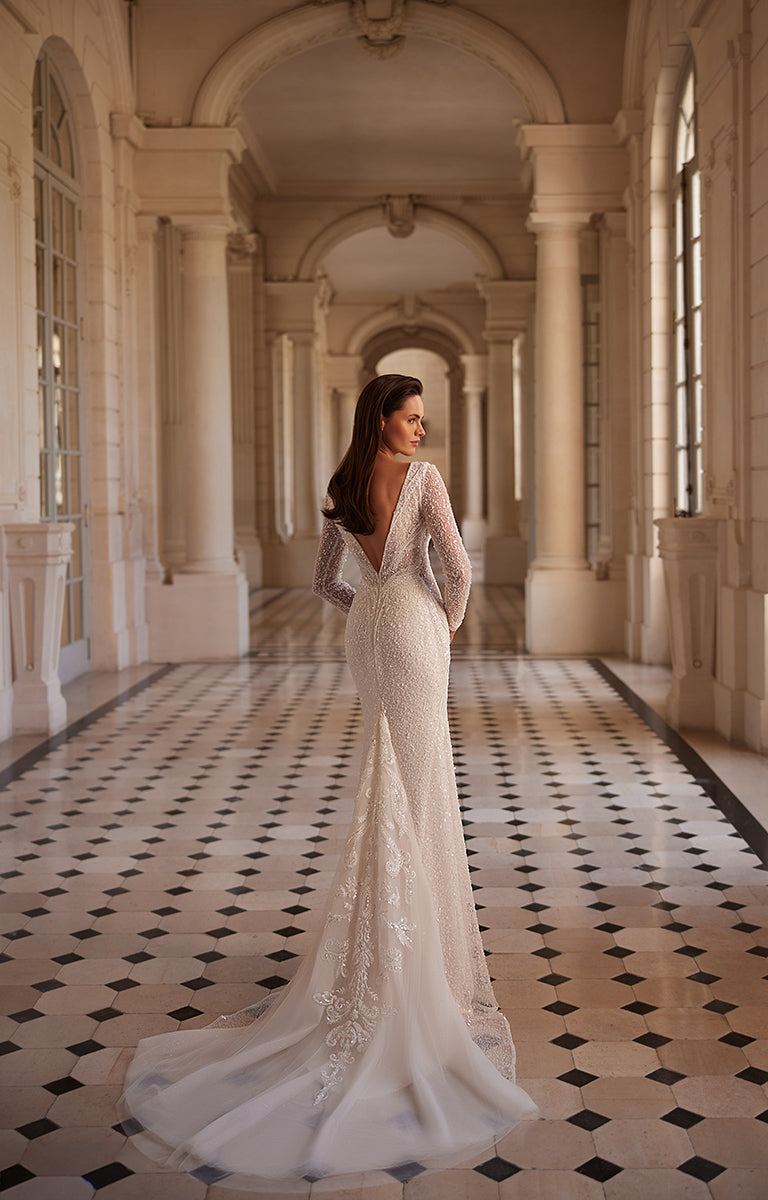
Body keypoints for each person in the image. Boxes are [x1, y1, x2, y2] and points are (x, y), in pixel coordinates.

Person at [118, 374, 536, 1192]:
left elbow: (324, 584)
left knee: (389, 786)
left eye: (422, 422)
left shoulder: (344, 483)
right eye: (411, 419)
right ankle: (422, 963)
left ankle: (388, 946)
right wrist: (440, 620)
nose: (421, 431)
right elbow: (457, 568)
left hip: (370, 633)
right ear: (382, 418)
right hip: (413, 630)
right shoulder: (424, 481)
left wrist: (374, 597)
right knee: (419, 790)